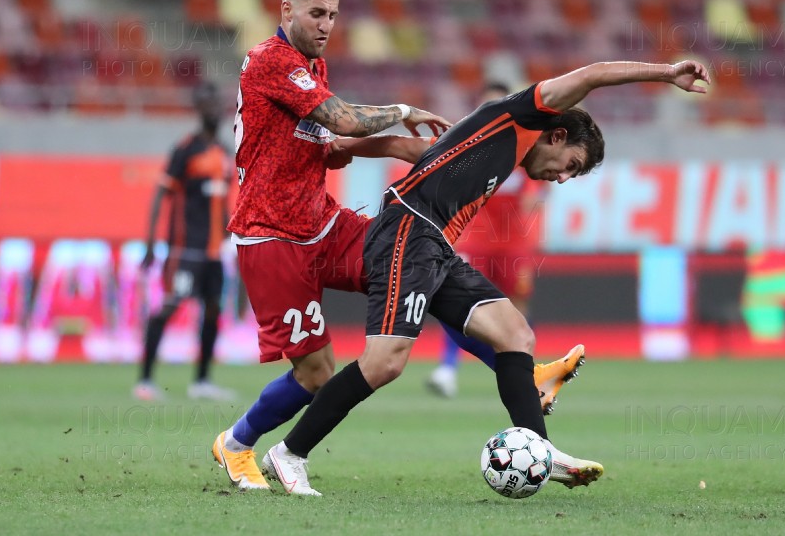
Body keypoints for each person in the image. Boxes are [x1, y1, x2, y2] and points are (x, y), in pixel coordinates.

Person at [261, 59, 711, 496]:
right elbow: (591, 76)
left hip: (433, 245)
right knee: (385, 362)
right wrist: (665, 73)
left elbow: (411, 149)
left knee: (514, 332)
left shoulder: (502, 151)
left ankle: (542, 450)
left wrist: (344, 151)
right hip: (409, 229)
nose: (561, 178)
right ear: (556, 134)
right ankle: (290, 453)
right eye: (570, 164)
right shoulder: (522, 115)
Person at [211, 0, 584, 490]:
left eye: (334, 15)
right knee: (316, 375)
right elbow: (340, 121)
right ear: (286, 10)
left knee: (414, 270)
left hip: (323, 224)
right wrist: (401, 112)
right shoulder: (272, 60)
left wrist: (404, 148)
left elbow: (332, 150)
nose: (326, 25)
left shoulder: (312, 64)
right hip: (271, 236)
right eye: (316, 13)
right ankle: (235, 444)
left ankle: (519, 367)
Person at [426, 82, 569, 404]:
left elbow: (539, 187)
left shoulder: (525, 145)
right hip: (475, 238)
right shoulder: (468, 145)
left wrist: (537, 198)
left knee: (518, 306)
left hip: (515, 242)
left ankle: (529, 372)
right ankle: (447, 369)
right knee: (456, 302)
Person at [133, 81, 236, 401]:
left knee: (213, 310)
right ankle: (146, 380)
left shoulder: (223, 154)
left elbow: (219, 200)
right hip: (184, 247)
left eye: (216, 105)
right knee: (170, 305)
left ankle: (202, 380)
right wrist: (151, 242)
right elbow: (161, 193)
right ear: (197, 109)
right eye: (207, 105)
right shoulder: (186, 149)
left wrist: (229, 226)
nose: (213, 111)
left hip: (214, 250)